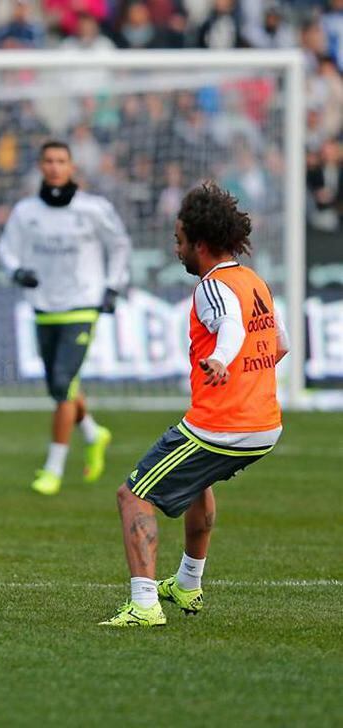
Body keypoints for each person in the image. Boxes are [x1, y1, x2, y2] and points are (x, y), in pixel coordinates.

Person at [100, 183, 289, 627]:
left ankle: (144, 605)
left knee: (134, 495)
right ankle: (187, 583)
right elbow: (280, 343)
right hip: (264, 424)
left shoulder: (213, 286)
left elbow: (229, 329)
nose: (176, 248)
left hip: (224, 425)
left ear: (200, 245)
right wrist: (245, 375)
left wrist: (223, 360)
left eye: (179, 240)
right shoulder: (253, 282)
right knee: (196, 484)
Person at [0, 140, 131, 496]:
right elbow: (5, 250)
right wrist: (17, 272)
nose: (55, 167)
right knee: (61, 385)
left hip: (83, 304)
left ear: (72, 167)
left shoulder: (93, 209)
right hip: (44, 307)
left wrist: (114, 286)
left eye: (62, 161)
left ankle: (53, 468)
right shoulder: (26, 212)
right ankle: (94, 433)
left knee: (62, 383)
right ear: (41, 166)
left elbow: (119, 244)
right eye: (49, 161)